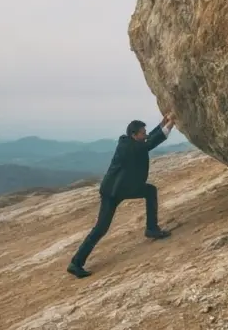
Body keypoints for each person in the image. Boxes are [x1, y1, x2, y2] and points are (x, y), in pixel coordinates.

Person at [67, 113, 176, 278]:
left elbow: (147, 140)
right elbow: (150, 143)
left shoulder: (131, 142)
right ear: (134, 135)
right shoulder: (129, 147)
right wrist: (171, 124)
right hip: (113, 192)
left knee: (150, 191)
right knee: (101, 228)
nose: (145, 134)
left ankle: (152, 229)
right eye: (142, 132)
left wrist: (162, 124)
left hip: (125, 188)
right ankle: (76, 263)